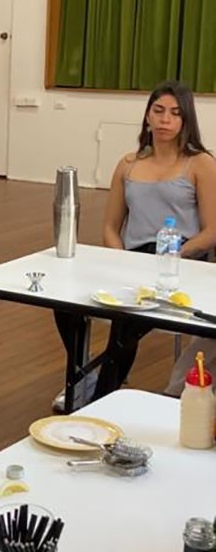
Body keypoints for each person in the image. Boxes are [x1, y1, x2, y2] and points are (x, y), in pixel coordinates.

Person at [53, 80, 216, 411]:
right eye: (158, 111)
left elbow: (212, 231)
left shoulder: (200, 163)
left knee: (126, 323)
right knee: (63, 301)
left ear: (186, 120)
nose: (165, 120)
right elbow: (111, 227)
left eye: (174, 113)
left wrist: (174, 255)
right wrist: (121, 260)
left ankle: (100, 398)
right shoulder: (128, 163)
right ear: (147, 117)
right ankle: (83, 374)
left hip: (180, 260)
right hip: (132, 259)